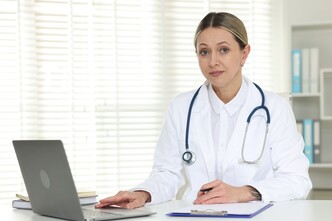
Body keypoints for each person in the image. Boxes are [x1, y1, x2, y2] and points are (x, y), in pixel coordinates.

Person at [96, 12, 312, 209]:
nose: (213, 62)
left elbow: (297, 180)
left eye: (224, 50)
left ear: (244, 53)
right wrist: (143, 193)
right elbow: (166, 174)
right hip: (197, 220)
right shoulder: (181, 107)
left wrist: (243, 192)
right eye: (204, 52)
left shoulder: (275, 108)